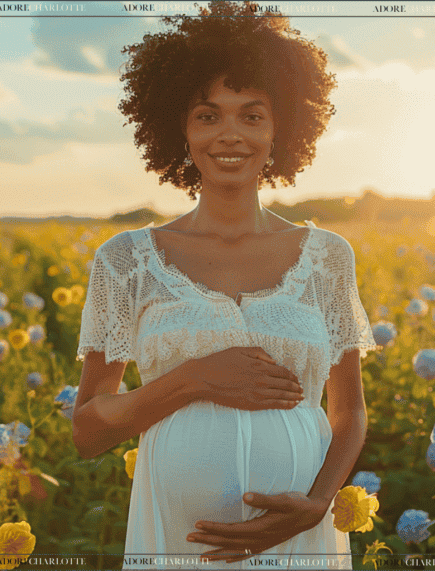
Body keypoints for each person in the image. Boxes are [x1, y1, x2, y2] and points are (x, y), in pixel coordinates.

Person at [72, 1, 377, 568]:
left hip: (300, 540)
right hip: (177, 538)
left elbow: (349, 411)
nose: (229, 135)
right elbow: (89, 430)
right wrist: (192, 379)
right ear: (178, 129)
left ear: (280, 127)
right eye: (207, 115)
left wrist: (317, 503)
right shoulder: (125, 262)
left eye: (252, 115)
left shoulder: (329, 257)